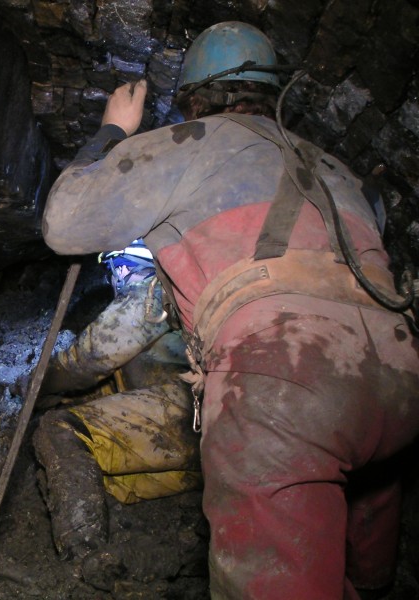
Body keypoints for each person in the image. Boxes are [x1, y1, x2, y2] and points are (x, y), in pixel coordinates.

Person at [41, 20, 419, 600]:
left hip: (288, 377)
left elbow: (64, 222)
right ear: (273, 92)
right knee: (367, 572)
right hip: (401, 374)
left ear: (192, 100)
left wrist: (113, 130)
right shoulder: (335, 168)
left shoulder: (189, 145)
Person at [29, 239, 201, 567]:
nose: (119, 279)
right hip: (207, 450)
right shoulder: (189, 292)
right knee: (95, 476)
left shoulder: (156, 292)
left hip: (191, 418)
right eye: (115, 271)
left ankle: (85, 557)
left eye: (122, 268)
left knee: (57, 431)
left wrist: (37, 385)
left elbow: (88, 361)